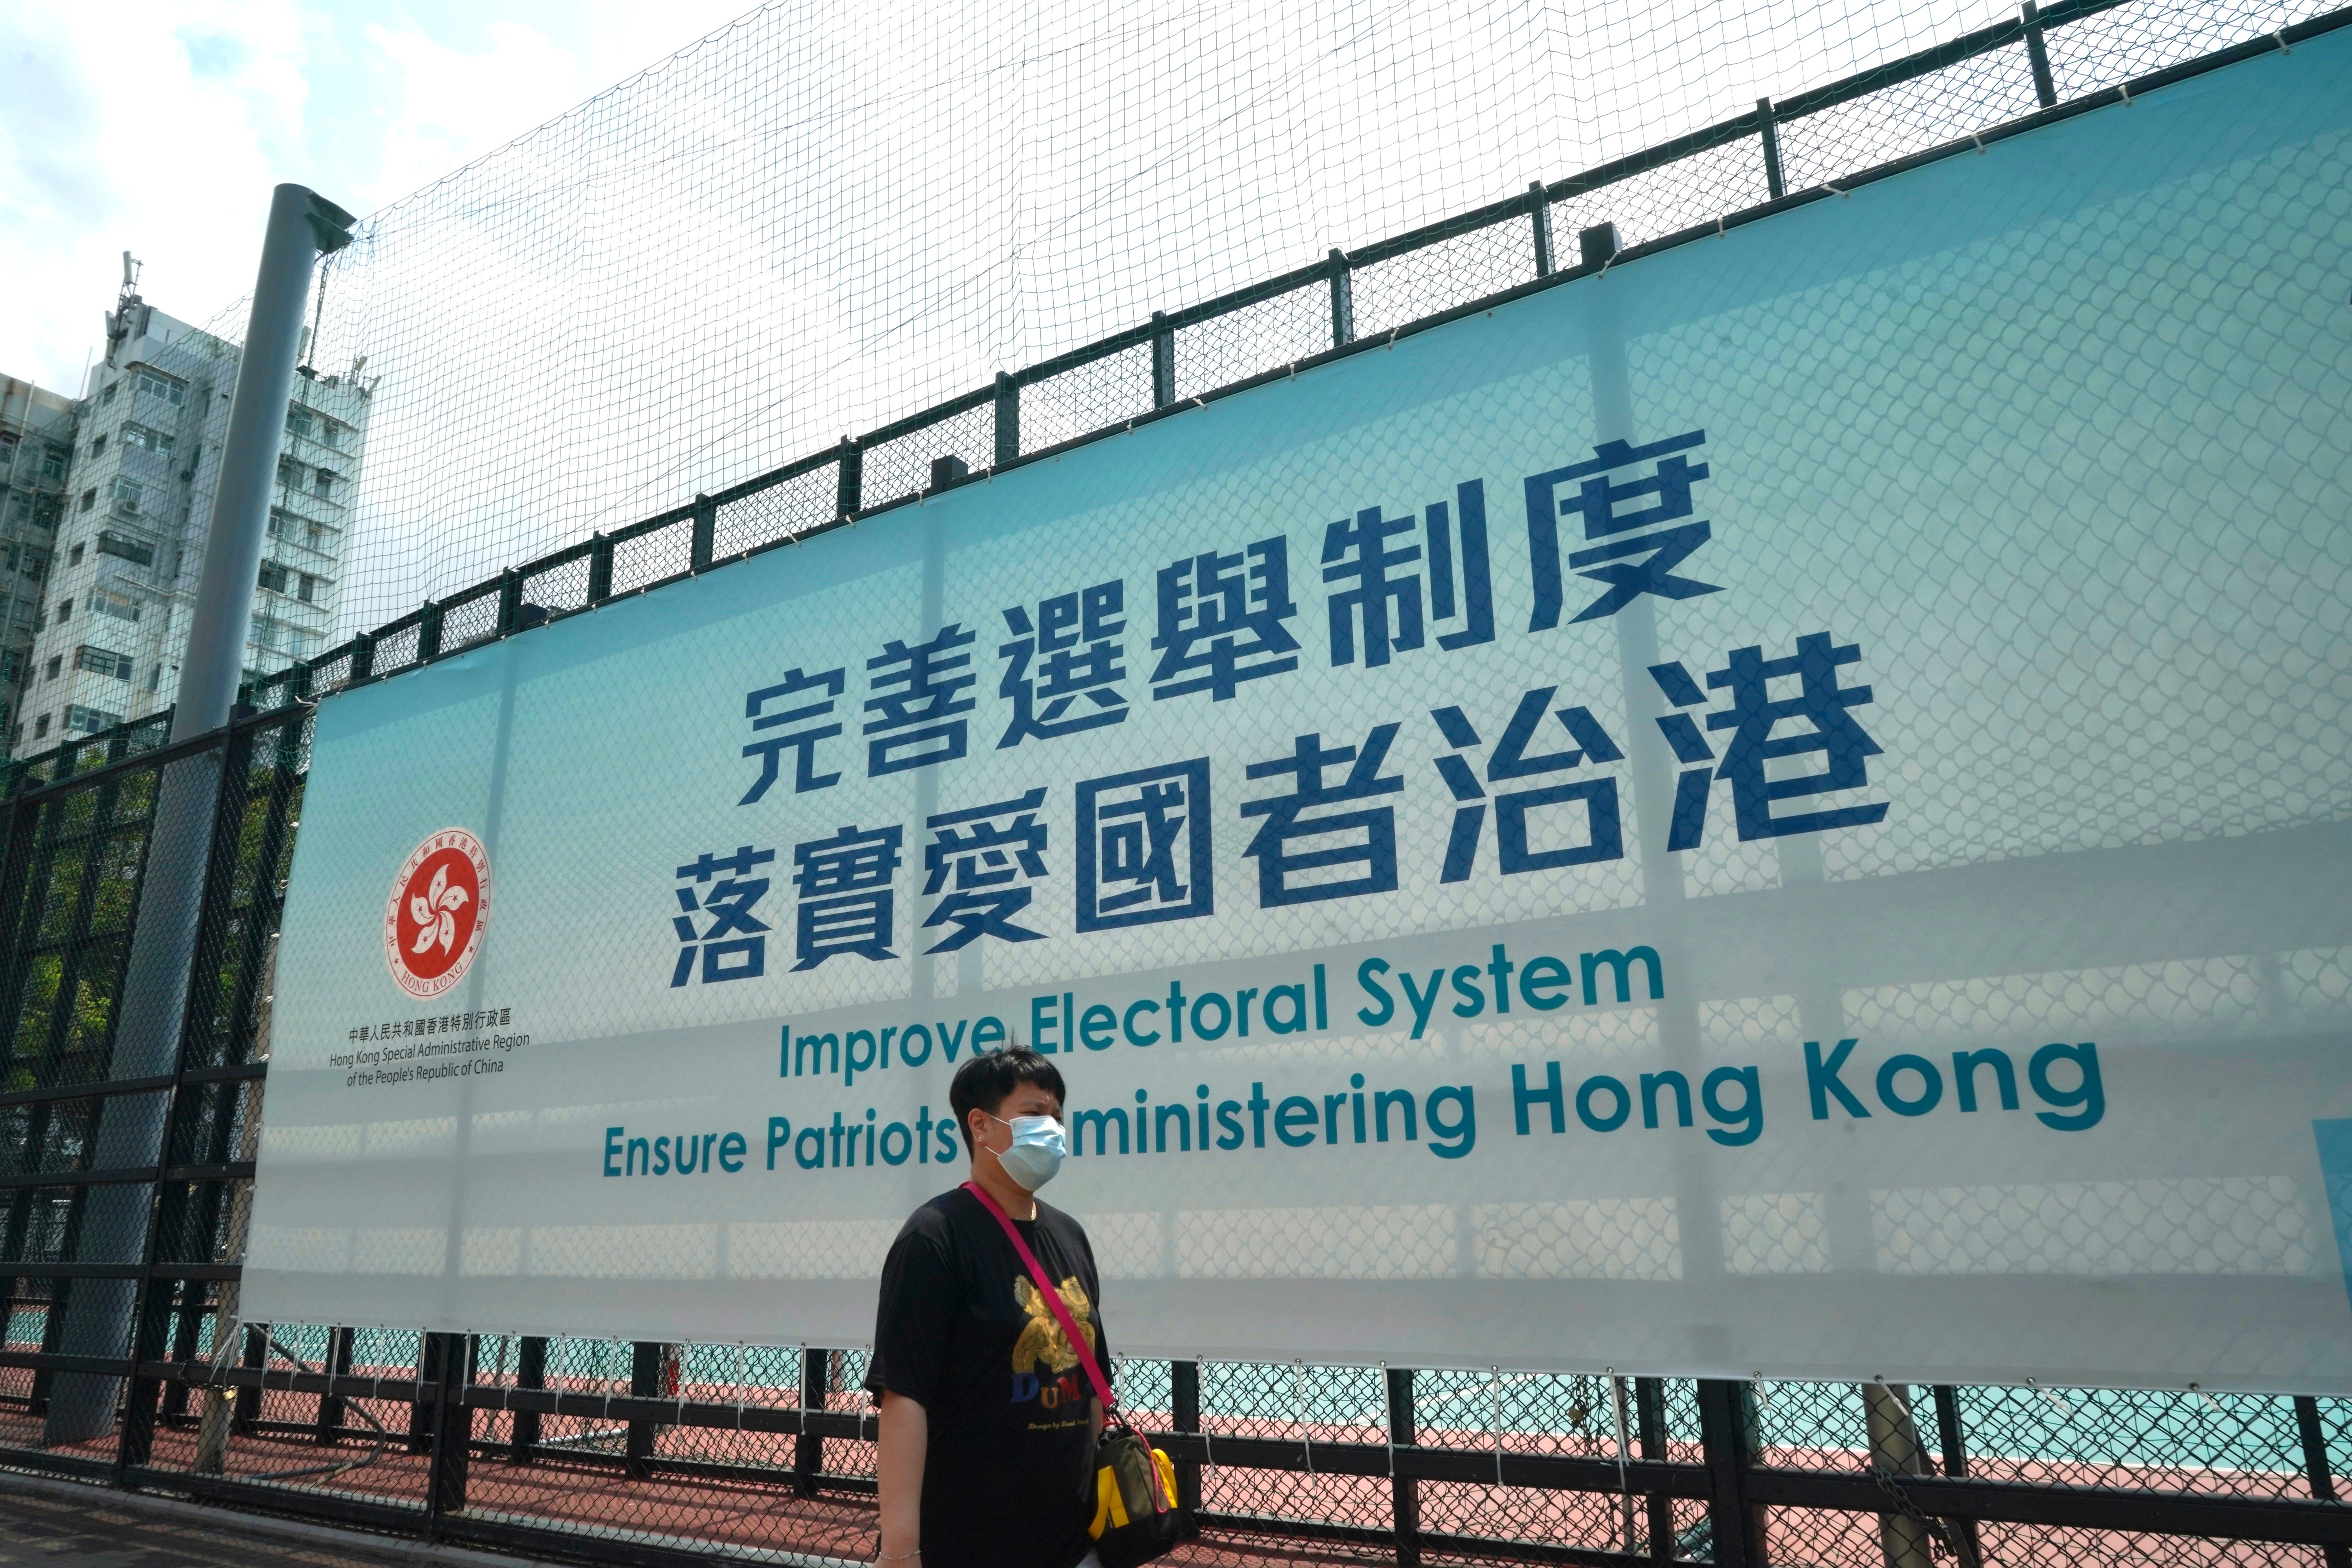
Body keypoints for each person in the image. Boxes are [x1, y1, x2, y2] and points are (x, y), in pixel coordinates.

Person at [867, 1047, 1107, 1568]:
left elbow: (1092, 1384)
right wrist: (902, 1551)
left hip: (1073, 1544)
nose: (1053, 1130)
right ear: (980, 1125)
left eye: (1059, 1119)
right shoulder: (935, 1237)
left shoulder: (1071, 1236)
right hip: (969, 1546)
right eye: (1035, 1113)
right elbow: (903, 1398)